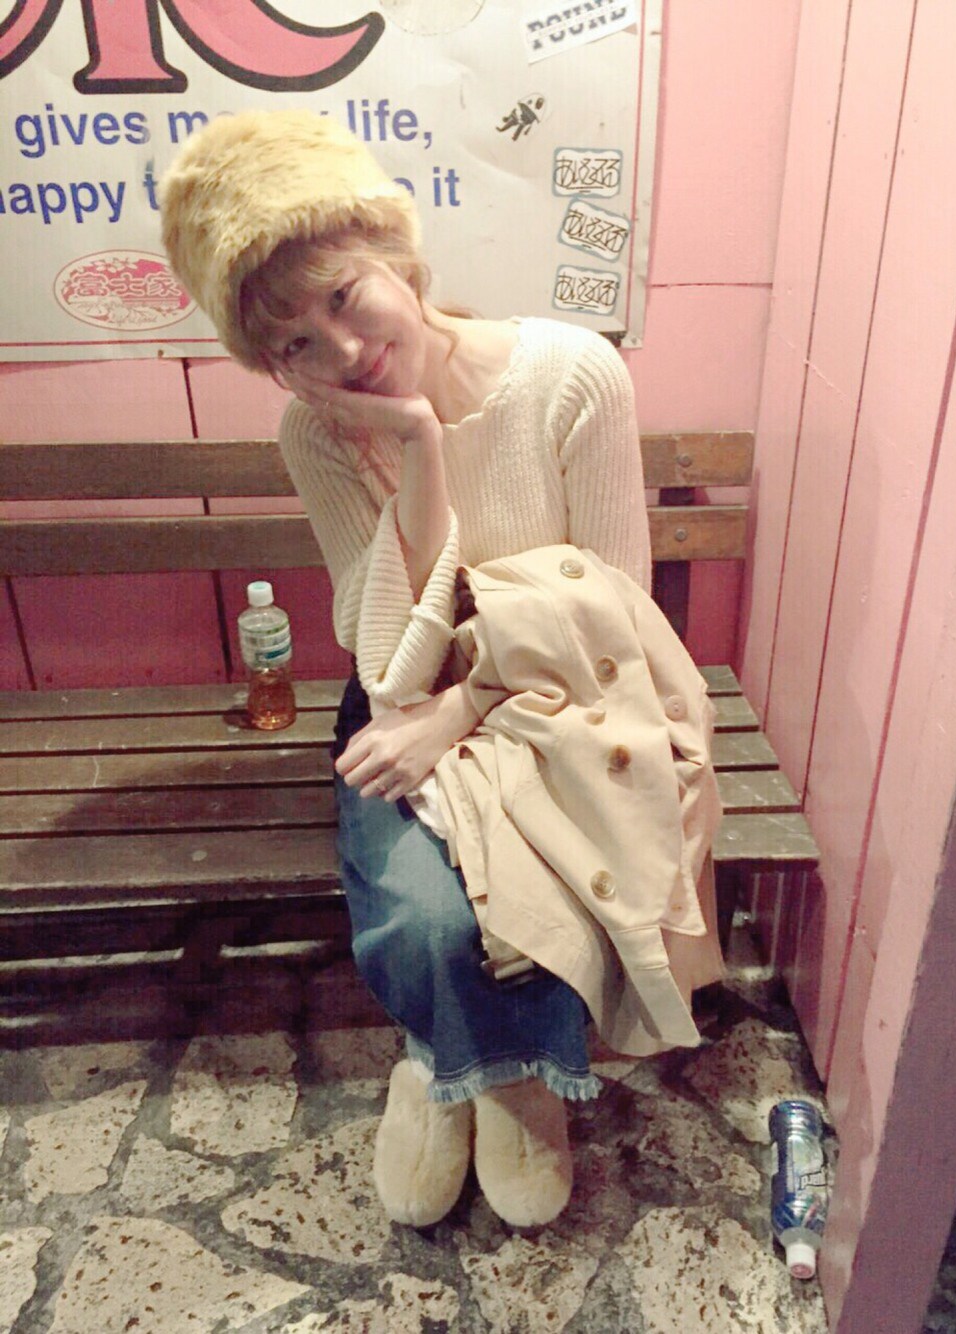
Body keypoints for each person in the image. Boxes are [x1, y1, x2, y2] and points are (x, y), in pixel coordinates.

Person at [159, 108, 690, 1230]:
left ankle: (506, 1082)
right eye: (294, 345)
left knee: (549, 887)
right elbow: (389, 660)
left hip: (577, 699)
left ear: (394, 255)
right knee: (424, 915)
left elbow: (615, 615)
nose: (341, 349)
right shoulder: (320, 436)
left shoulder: (570, 376)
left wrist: (464, 709)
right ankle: (456, 1067)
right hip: (410, 692)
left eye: (342, 295)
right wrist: (418, 449)